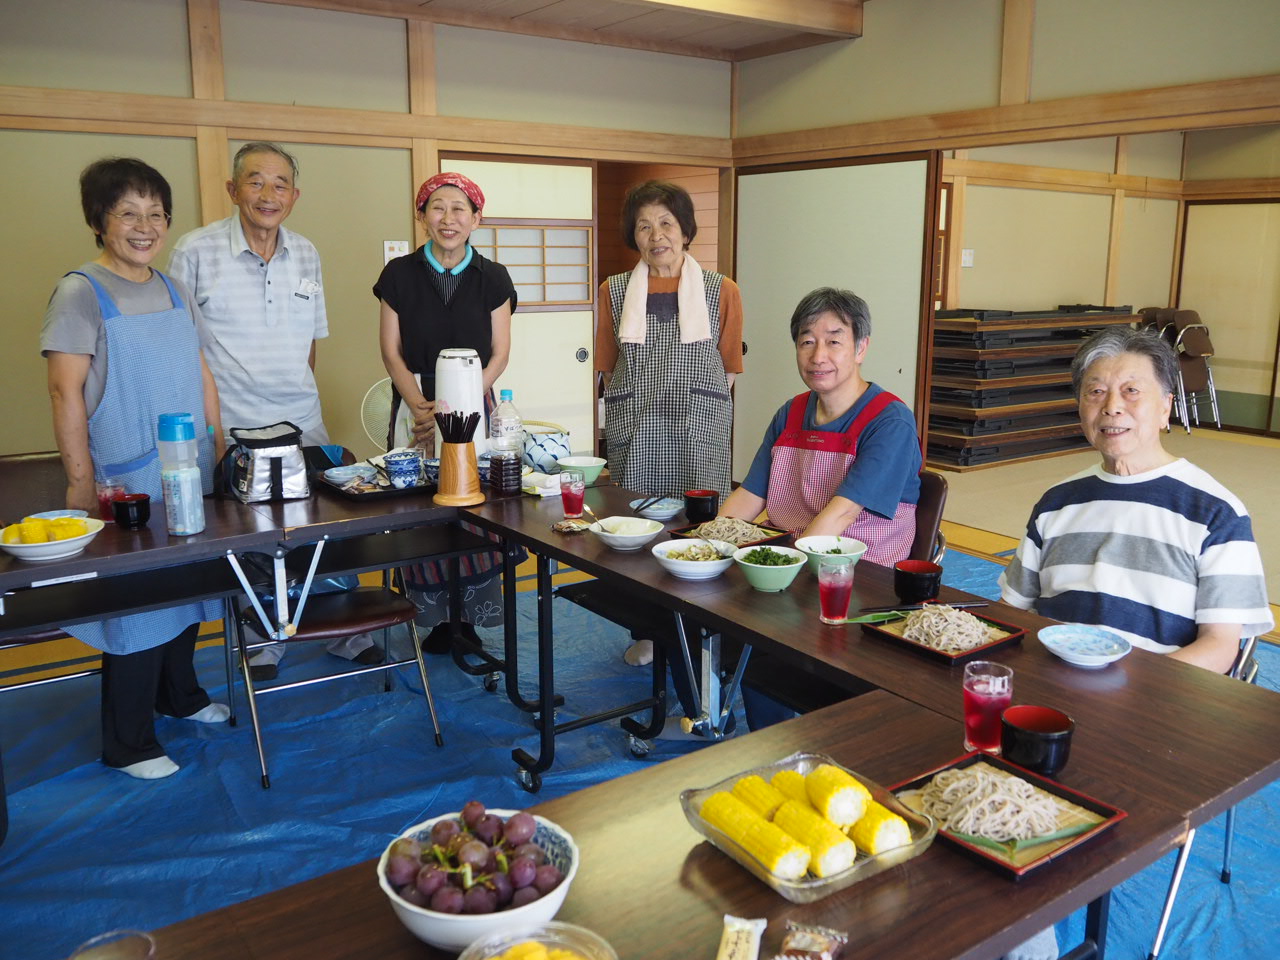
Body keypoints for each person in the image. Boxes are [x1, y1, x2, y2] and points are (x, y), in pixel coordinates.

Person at [42, 157, 230, 780]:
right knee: (137, 604)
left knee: (187, 589)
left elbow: (199, 367)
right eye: (128, 213)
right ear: (99, 221)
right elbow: (65, 392)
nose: (144, 226)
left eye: (156, 213)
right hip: (127, 475)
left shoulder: (173, 286)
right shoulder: (81, 291)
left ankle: (179, 696)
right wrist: (79, 480)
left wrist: (218, 442)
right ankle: (128, 742)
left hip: (189, 466)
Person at [169, 141, 378, 681]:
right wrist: (211, 433)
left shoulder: (306, 253)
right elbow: (183, 349)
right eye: (255, 181)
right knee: (252, 535)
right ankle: (264, 636)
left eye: (280, 184)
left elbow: (311, 342)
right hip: (233, 423)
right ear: (232, 189)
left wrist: (298, 394)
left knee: (323, 522)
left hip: (301, 418)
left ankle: (343, 630)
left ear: (295, 195)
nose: (268, 194)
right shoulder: (195, 251)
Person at [1000, 326, 1273, 673]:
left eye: (1131, 391)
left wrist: (1132, 690)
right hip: (1052, 685)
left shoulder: (1216, 512)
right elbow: (1012, 610)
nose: (1112, 407)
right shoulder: (1057, 502)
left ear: (1165, 407)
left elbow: (1220, 647)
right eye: (1096, 391)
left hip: (1157, 702)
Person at [596, 179, 744, 666]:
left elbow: (727, 372)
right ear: (633, 236)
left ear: (685, 231)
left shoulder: (722, 291)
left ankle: (704, 632)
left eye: (666, 223)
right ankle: (647, 631)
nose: (655, 235)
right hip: (636, 430)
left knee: (701, 528)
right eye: (643, 226)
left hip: (698, 431)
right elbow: (605, 366)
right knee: (637, 532)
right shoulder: (614, 291)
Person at [373, 172, 516, 651]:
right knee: (419, 506)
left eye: (459, 208)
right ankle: (430, 619)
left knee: (474, 503)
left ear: (476, 218)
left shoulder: (493, 277)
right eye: (438, 207)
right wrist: (417, 401)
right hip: (416, 399)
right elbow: (391, 350)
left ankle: (471, 619)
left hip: (475, 399)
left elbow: (500, 352)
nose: (448, 218)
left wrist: (466, 396)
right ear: (422, 216)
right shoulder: (399, 274)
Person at [721, 287, 921, 559]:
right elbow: (750, 495)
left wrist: (787, 563)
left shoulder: (890, 421)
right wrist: (709, 541)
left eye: (833, 342)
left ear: (861, 348)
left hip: (858, 566)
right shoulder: (790, 413)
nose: (817, 357)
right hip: (792, 549)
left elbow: (843, 513)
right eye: (807, 342)